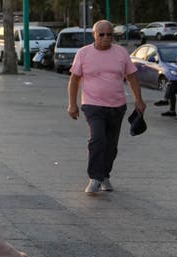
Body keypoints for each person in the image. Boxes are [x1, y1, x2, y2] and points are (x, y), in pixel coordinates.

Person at [67, 20, 146, 194]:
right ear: (94, 35)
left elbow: (132, 77)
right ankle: (94, 178)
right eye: (101, 34)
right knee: (97, 139)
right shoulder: (83, 53)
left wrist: (138, 100)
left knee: (111, 145)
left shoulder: (121, 53)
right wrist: (72, 104)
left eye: (109, 34)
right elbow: (74, 80)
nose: (105, 37)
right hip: (92, 105)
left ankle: (104, 175)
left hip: (117, 106)